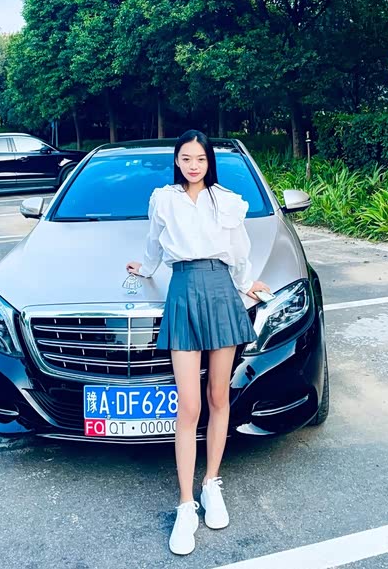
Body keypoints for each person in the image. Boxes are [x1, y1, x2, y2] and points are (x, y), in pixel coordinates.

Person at [125, 129, 271, 556]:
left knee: (218, 397)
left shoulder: (227, 200)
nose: (193, 165)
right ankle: (186, 504)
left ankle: (211, 484)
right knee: (188, 406)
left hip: (222, 291)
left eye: (200, 159)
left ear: (210, 162)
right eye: (186, 158)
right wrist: (144, 269)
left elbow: (239, 253)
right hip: (184, 291)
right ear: (177, 160)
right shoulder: (163, 199)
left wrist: (248, 284)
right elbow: (154, 245)